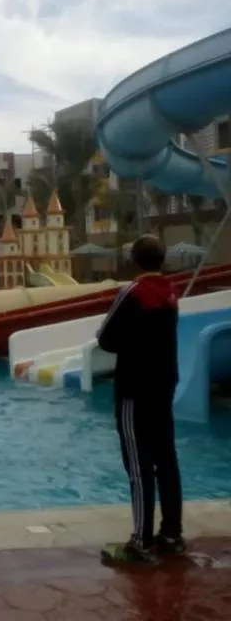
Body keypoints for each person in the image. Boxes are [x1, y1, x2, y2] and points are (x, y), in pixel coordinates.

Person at [97, 234, 183, 562]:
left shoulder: (132, 293)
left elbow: (105, 338)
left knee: (138, 463)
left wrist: (129, 345)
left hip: (134, 389)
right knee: (167, 460)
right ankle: (172, 533)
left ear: (135, 259)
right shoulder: (171, 292)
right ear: (162, 260)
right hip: (164, 386)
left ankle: (141, 541)